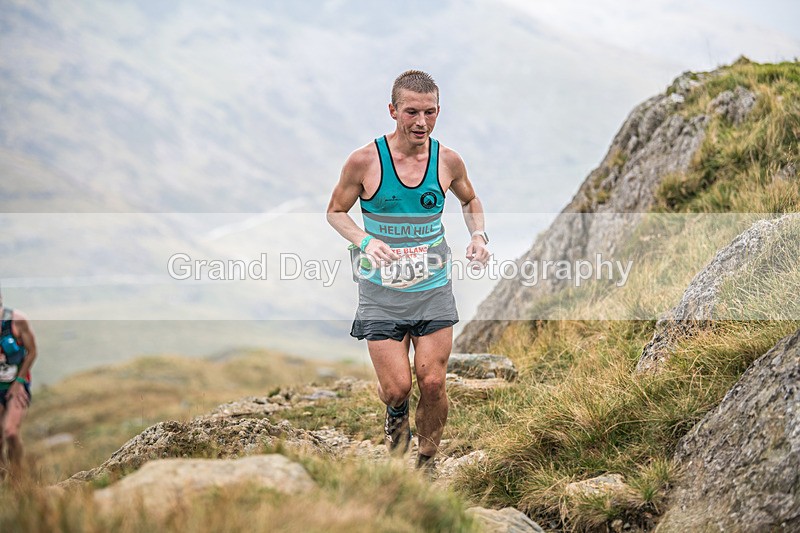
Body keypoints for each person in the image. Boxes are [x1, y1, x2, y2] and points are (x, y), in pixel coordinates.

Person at [326, 70, 490, 473]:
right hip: (381, 290)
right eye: (411, 112)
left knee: (432, 382)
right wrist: (365, 240)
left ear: (438, 111)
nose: (421, 122)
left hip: (432, 287)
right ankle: (395, 413)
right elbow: (335, 212)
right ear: (392, 110)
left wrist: (479, 236)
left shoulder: (448, 160)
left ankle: (426, 463)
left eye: (430, 112)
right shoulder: (364, 161)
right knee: (398, 386)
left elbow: (470, 200)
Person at [0, 291, 37, 477]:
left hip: (17, 386)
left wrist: (20, 381)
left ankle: (18, 478)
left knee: (11, 432)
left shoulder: (17, 321)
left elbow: (32, 352)